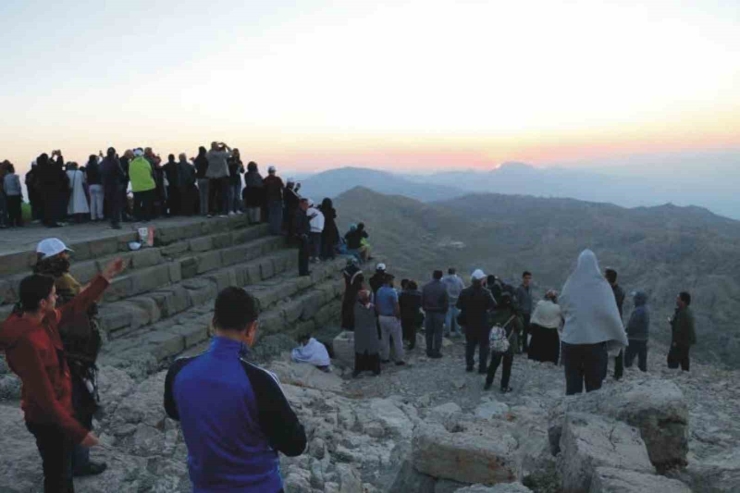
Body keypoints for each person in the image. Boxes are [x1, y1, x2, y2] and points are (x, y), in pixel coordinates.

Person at [0, 257, 124, 493]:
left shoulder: (43, 320)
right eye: (53, 295)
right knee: (57, 477)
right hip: (47, 419)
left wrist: (104, 279)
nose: (57, 298)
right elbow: (44, 396)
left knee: (62, 469)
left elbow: (74, 307)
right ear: (42, 302)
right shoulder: (27, 342)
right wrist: (78, 432)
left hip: (60, 409)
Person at [164, 287, 306, 492]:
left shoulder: (179, 371)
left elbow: (173, 411)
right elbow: (295, 445)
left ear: (213, 323)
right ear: (251, 329)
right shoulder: (260, 382)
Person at [33, 239, 108, 478]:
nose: (67, 257)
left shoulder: (36, 283)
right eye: (64, 254)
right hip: (70, 357)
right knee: (78, 410)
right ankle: (77, 464)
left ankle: (67, 462)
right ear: (56, 258)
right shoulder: (61, 282)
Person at [559, 250, 628, 395]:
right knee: (594, 388)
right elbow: (610, 312)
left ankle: (571, 415)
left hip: (571, 342)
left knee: (572, 386)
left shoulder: (570, 284)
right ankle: (590, 416)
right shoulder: (603, 286)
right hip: (595, 344)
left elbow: (563, 307)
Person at [457, 269, 497, 373]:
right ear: (481, 280)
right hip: (483, 323)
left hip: (469, 322)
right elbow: (493, 305)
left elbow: (458, 305)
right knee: (484, 346)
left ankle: (469, 365)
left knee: (470, 345)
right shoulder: (486, 292)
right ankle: (482, 368)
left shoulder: (464, 292)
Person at [485, 292, 521, 393]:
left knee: (493, 364)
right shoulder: (513, 314)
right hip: (508, 343)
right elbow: (519, 327)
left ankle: (488, 383)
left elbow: (489, 324)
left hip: (496, 342)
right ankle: (504, 386)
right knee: (507, 366)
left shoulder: (493, 312)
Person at [376, 274, 405, 365]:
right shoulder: (392, 292)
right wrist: (398, 316)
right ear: (389, 281)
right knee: (397, 339)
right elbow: (396, 306)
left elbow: (377, 304)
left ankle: (385, 357)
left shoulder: (379, 290)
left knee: (384, 338)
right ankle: (399, 358)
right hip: (392, 317)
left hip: (381, 316)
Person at [528, 290, 563, 364]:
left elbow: (534, 317)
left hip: (538, 330)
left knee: (536, 347)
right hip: (551, 331)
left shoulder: (540, 304)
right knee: (551, 349)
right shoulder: (558, 308)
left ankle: (534, 358)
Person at [354, 289, 381, 377]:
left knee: (362, 352)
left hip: (362, 333)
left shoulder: (356, 307)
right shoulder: (372, 308)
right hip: (369, 333)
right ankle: (374, 370)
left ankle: (360, 370)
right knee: (371, 352)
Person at [422, 270, 449, 359]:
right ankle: (436, 351)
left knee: (428, 333)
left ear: (433, 275)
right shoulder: (444, 287)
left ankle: (429, 350)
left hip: (428, 312)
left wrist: (425, 308)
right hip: (439, 312)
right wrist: (444, 312)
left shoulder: (426, 287)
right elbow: (446, 302)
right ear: (441, 276)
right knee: (438, 333)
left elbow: (422, 300)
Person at [605, 267, 626, 380]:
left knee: (612, 347)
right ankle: (617, 373)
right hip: (615, 321)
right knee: (616, 347)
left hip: (612, 322)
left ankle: (617, 373)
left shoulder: (614, 292)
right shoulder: (620, 291)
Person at [667, 291, 696, 372]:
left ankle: (673, 375)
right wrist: (672, 322)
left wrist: (675, 342)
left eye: (678, 299)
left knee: (673, 358)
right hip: (685, 341)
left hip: (681, 341)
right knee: (684, 358)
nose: (676, 300)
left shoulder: (683, 313)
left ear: (683, 301)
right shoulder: (685, 311)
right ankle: (685, 374)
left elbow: (679, 329)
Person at [100, 147, 126, 229]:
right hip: (114, 185)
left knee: (110, 204)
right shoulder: (115, 161)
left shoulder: (103, 162)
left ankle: (111, 220)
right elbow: (121, 172)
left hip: (106, 186)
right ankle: (115, 222)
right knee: (116, 204)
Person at [624, 291, 650, 372]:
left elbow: (632, 326)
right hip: (643, 338)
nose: (633, 300)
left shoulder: (638, 311)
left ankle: (629, 374)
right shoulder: (645, 309)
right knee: (642, 360)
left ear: (638, 300)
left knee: (627, 359)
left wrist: (625, 332)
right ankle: (644, 374)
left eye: (635, 298)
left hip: (634, 339)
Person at [205, 141, 232, 217]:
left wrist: (212, 148)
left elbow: (206, 155)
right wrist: (226, 145)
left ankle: (210, 212)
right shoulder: (222, 154)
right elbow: (231, 153)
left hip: (212, 177)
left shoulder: (209, 155)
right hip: (222, 176)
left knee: (211, 195)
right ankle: (223, 212)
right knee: (222, 194)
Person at [129, 148, 156, 222]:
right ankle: (147, 217)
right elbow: (151, 172)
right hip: (148, 186)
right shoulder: (146, 162)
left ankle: (137, 217)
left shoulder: (131, 164)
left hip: (137, 187)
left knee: (137, 203)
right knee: (147, 203)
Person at [399, 280, 422, 350]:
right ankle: (412, 344)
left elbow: (399, 303)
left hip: (404, 314)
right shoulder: (419, 294)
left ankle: (402, 342)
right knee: (413, 329)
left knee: (403, 328)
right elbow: (421, 304)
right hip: (414, 314)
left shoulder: (402, 294)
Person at [442, 268, 465, 337]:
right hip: (457, 301)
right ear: (455, 272)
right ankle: (457, 332)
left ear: (448, 272)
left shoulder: (444, 280)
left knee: (447, 317)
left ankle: (447, 332)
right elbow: (463, 289)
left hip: (447, 301)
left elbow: (441, 289)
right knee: (457, 317)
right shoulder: (459, 279)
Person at [341, 265, 363, 331]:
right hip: (353, 295)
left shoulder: (348, 276)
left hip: (349, 294)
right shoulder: (357, 277)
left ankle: (347, 324)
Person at [263, 166, 285, 235]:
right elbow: (283, 187)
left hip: (269, 200)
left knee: (271, 215)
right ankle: (277, 231)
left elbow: (263, 190)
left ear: (268, 172)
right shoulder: (277, 179)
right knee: (278, 216)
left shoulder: (265, 180)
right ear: (274, 172)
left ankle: (271, 231)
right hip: (277, 199)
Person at [516, 271, 534, 353]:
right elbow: (517, 302)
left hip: (528, 313)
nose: (527, 280)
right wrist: (519, 311)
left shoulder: (529, 289)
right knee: (519, 330)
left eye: (529, 278)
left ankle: (524, 347)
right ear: (523, 278)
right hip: (521, 313)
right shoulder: (519, 289)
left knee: (526, 331)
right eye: (526, 278)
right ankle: (517, 347)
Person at [294, 198, 311, 277]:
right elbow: (297, 225)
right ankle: (303, 271)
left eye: (307, 205)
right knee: (303, 255)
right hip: (302, 236)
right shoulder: (298, 213)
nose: (307, 206)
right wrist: (301, 234)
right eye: (305, 204)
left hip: (305, 235)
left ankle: (305, 270)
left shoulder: (303, 213)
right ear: (301, 204)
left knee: (306, 254)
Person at [84, 155, 103, 222]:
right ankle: (100, 216)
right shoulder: (97, 166)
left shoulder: (87, 167)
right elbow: (101, 173)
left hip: (91, 185)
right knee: (99, 201)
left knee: (92, 202)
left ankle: (93, 217)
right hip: (98, 184)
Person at [193, 146, 210, 217]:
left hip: (199, 178)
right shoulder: (206, 159)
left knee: (201, 195)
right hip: (206, 178)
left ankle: (202, 211)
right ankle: (206, 211)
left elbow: (196, 167)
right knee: (206, 195)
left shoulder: (197, 159)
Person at [227, 149, 245, 215]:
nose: (236, 154)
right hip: (231, 180)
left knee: (237, 196)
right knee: (231, 195)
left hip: (237, 180)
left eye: (237, 153)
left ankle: (237, 209)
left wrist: (241, 167)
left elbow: (242, 171)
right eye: (235, 153)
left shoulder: (239, 161)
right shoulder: (229, 160)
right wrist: (232, 164)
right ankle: (230, 210)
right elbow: (227, 168)